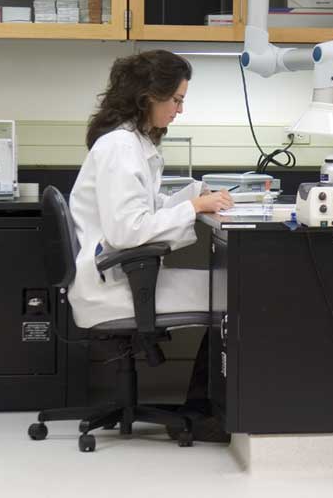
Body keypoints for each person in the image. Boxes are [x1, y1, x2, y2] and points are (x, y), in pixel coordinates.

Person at [69, 49, 233, 440]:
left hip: (118, 271)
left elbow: (140, 212)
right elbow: (127, 231)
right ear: (149, 97)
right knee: (233, 293)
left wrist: (193, 196)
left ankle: (203, 407)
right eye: (176, 99)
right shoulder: (121, 148)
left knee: (228, 287)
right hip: (115, 281)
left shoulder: (131, 143)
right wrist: (194, 207)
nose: (180, 110)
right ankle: (208, 414)